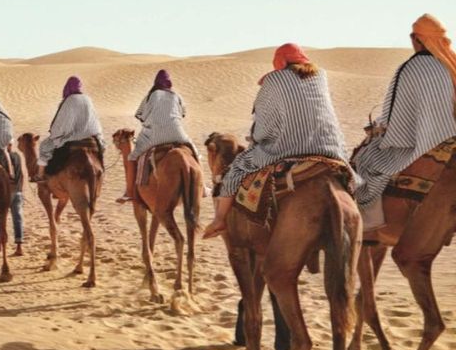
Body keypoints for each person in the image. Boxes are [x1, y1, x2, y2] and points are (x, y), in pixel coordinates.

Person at [203, 43, 350, 238]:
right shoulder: (320, 76)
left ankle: (219, 220)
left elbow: (263, 121)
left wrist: (257, 139)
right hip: (331, 149)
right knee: (357, 177)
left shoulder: (274, 80)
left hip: (287, 150)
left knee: (236, 169)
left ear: (280, 61)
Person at [352, 14, 456, 232]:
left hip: (419, 141)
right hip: (451, 137)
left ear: (419, 40)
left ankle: (368, 225)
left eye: (413, 37)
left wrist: (381, 128)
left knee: (365, 163)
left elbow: (396, 116)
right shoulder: (450, 65)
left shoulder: (412, 67)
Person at [118, 69, 197, 202]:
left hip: (154, 135)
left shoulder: (151, 95)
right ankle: (201, 187)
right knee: (195, 152)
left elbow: (140, 115)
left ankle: (130, 191)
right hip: (177, 133)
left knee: (132, 157)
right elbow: (183, 114)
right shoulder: (176, 95)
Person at [36, 75, 105, 181]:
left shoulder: (68, 101)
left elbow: (61, 122)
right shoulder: (88, 99)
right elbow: (94, 118)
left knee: (45, 146)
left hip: (72, 136)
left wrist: (55, 132)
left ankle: (40, 175)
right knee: (102, 148)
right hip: (92, 134)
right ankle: (102, 173)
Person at [0, 143, 25, 256]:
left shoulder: (0, 157)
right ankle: (19, 245)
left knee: (0, 216)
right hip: (17, 190)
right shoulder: (17, 156)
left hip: (5, 191)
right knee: (18, 217)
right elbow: (21, 174)